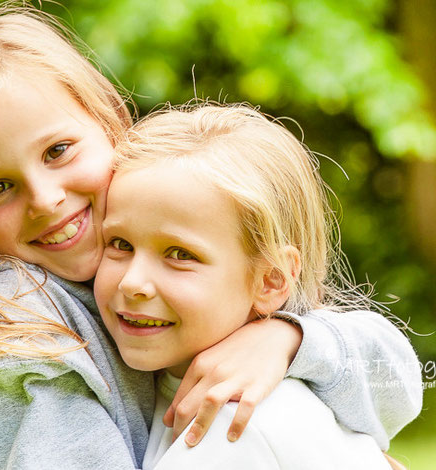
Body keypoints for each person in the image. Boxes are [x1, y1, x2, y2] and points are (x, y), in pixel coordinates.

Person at [0, 4, 421, 469]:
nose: (46, 199)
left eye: (57, 151)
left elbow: (395, 380)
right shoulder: (11, 316)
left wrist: (288, 341)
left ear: (110, 124)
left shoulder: (162, 243)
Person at [94, 103, 408, 468]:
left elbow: (395, 374)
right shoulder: (162, 381)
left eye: (179, 254)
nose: (133, 283)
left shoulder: (232, 424)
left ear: (271, 280)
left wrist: (290, 338)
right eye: (120, 244)